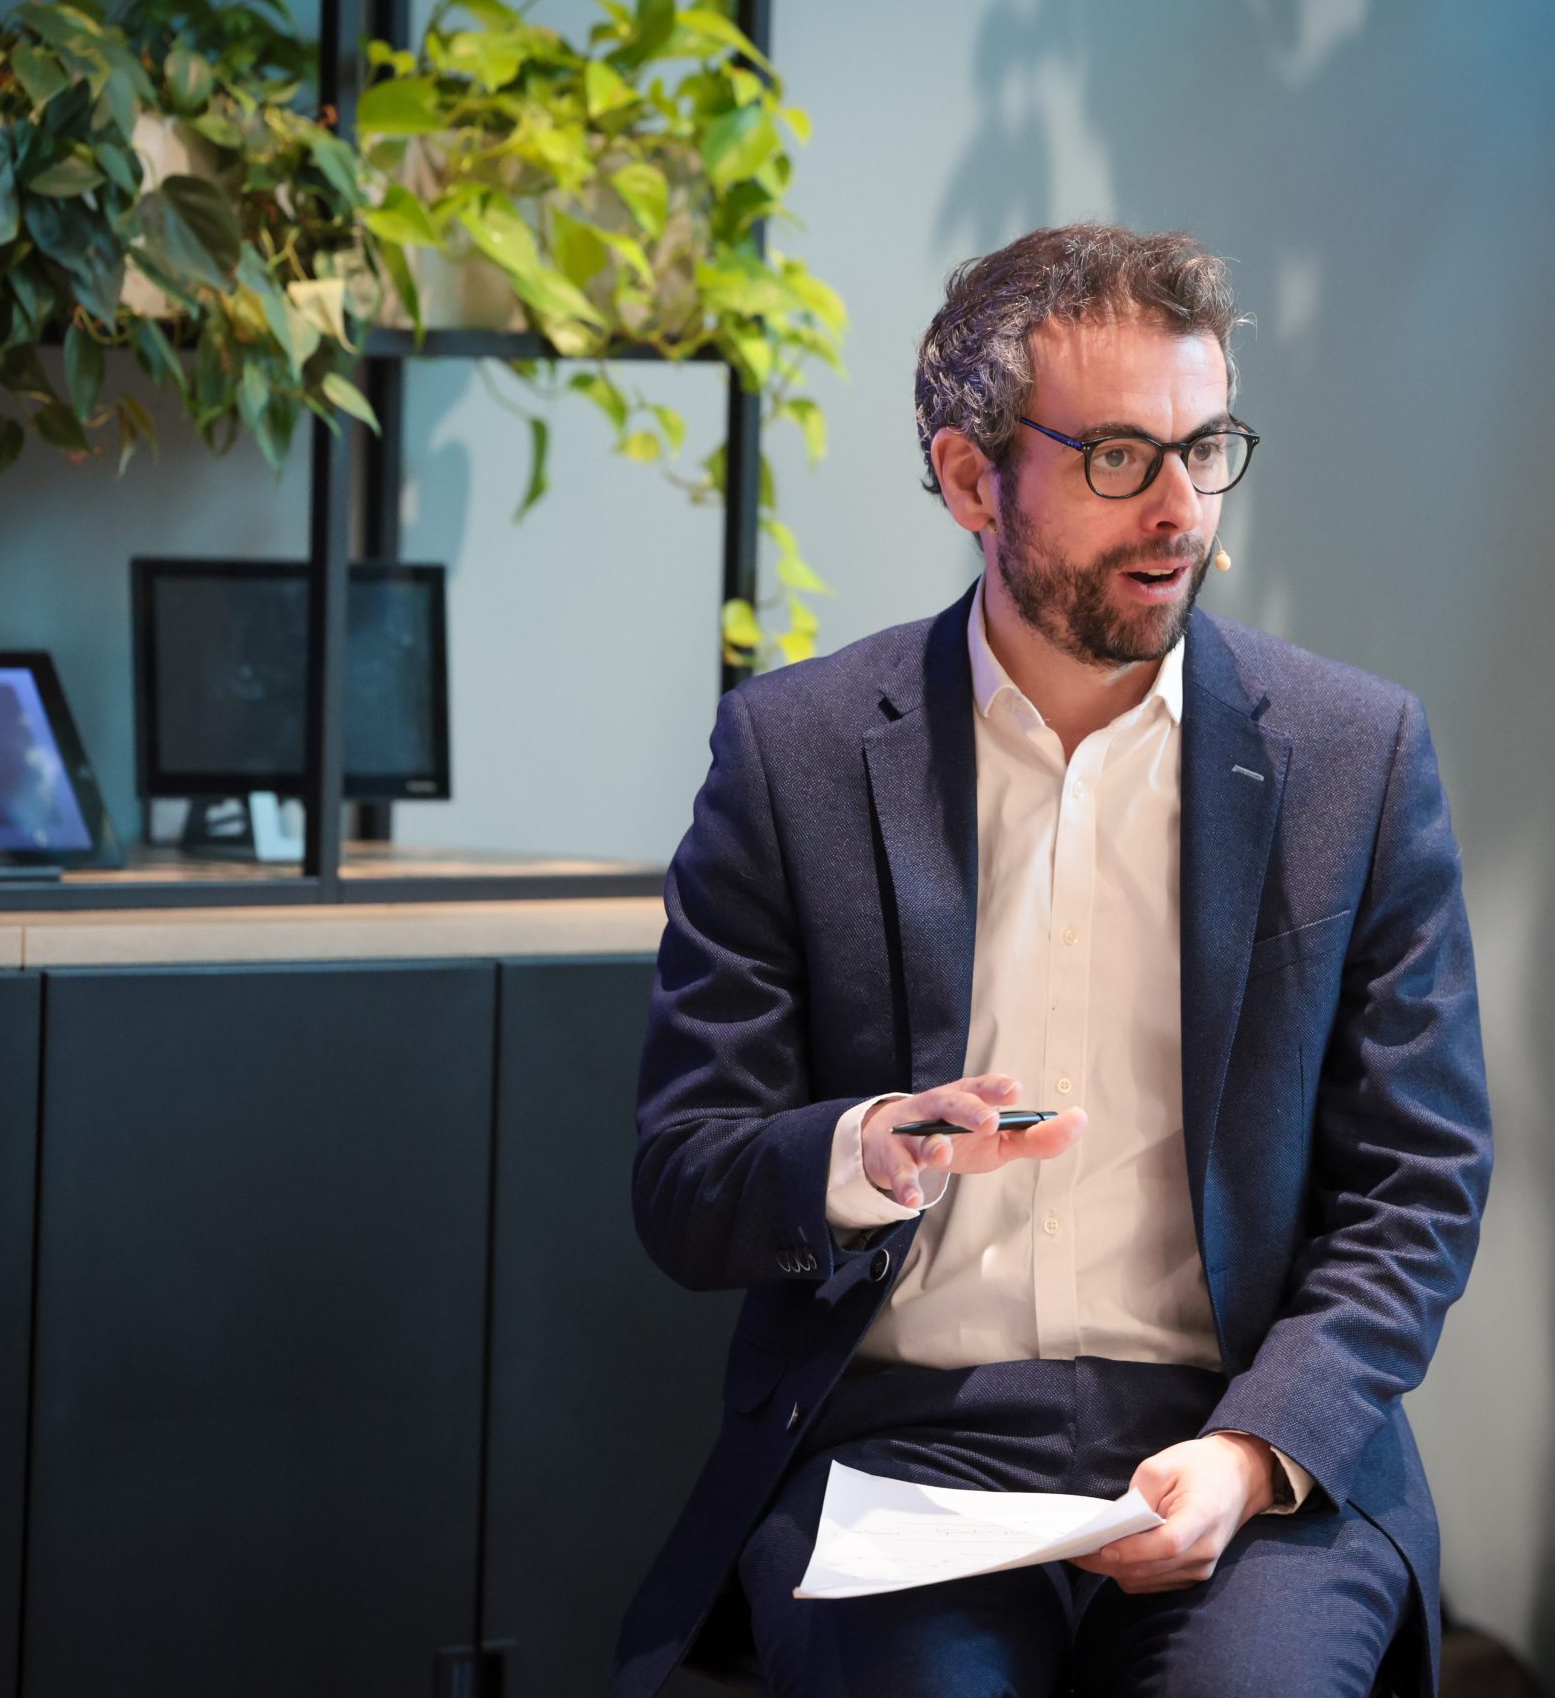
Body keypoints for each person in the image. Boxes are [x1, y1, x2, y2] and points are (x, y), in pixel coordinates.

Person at [612, 222, 1492, 1698]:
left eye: (1207, 449)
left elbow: (1419, 1182)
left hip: (1238, 1431)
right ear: (969, 477)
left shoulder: (1355, 756)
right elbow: (684, 1178)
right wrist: (861, 1153)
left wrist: (1251, 1455)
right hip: (905, 1440)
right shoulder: (798, 757)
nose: (1183, 513)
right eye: (1118, 460)